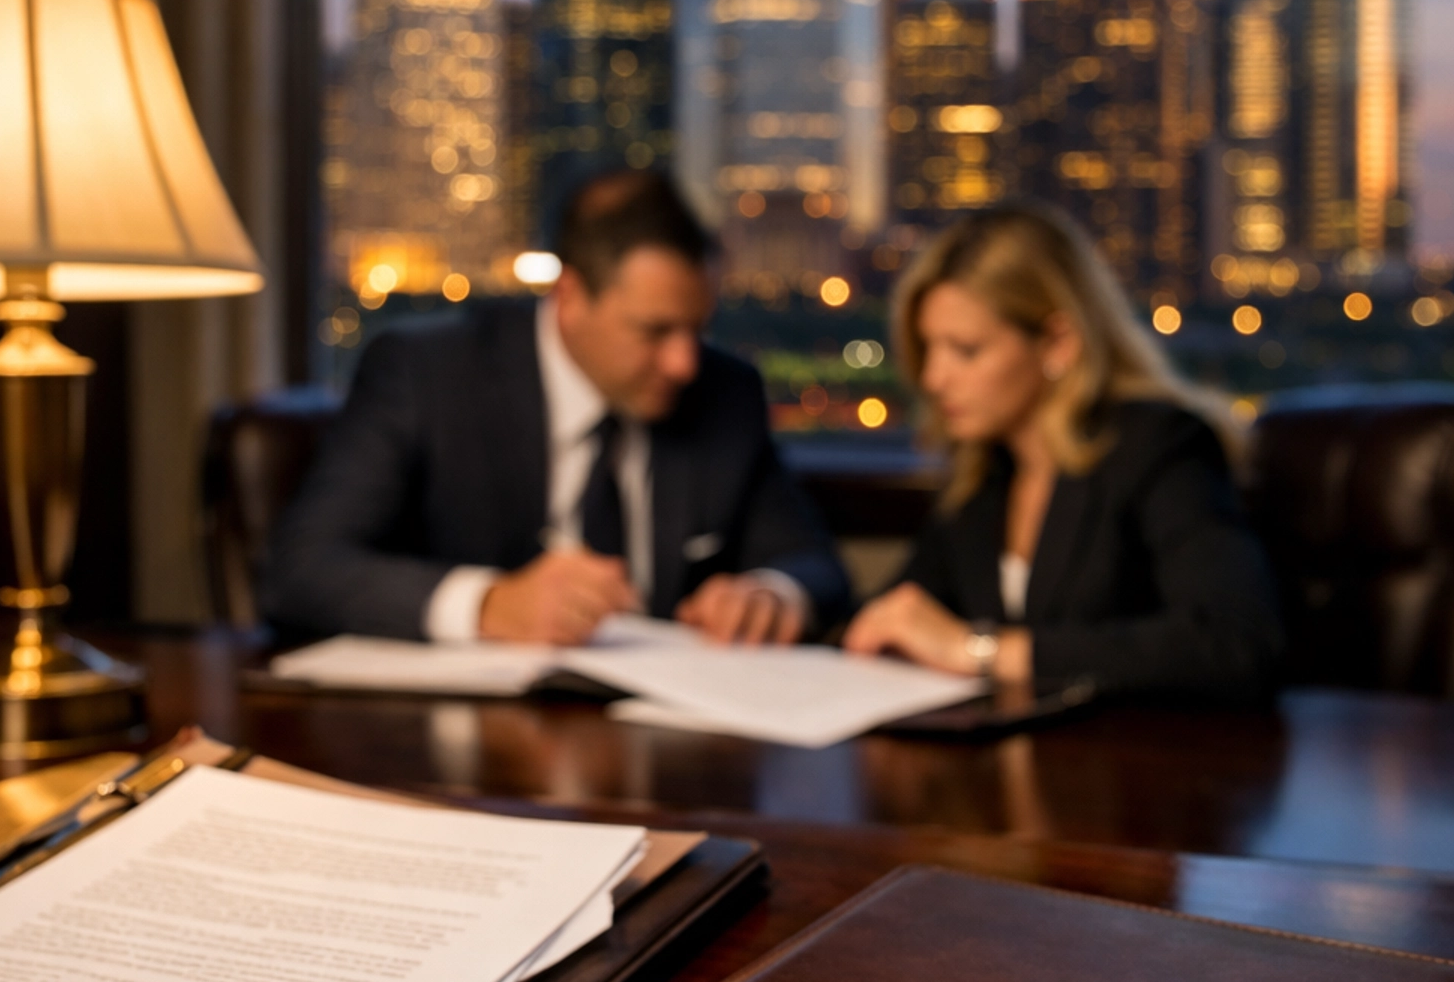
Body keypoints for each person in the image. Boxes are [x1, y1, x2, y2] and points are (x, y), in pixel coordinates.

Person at [263, 172, 850, 645]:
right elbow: (302, 569)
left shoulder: (726, 393)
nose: (684, 364)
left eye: (698, 329)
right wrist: (491, 605)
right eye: (655, 331)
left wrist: (772, 594)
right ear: (569, 297)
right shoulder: (426, 374)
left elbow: (815, 566)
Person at [844, 203, 1282, 702]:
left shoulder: (1161, 445)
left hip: (1146, 765)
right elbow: (896, 617)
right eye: (929, 349)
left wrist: (978, 651)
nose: (933, 379)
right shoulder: (983, 477)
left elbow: (1234, 643)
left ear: (1058, 342)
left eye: (965, 350)